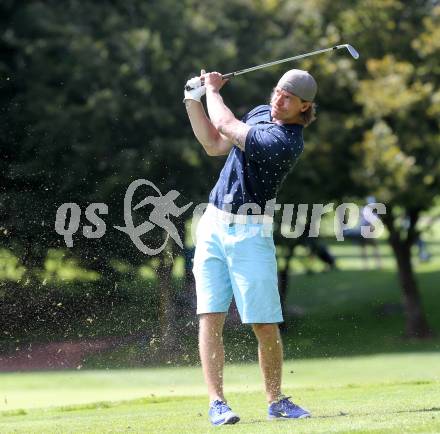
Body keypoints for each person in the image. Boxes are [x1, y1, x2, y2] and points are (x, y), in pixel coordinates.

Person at [184, 68, 317, 425]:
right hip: (212, 223)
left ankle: (275, 400)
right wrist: (191, 99)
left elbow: (228, 126)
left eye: (288, 98)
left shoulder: (286, 142)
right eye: (277, 92)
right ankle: (217, 403)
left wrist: (212, 91)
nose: (278, 100)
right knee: (210, 316)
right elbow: (214, 144)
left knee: (263, 322)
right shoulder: (261, 112)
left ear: (304, 107)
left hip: (250, 233)